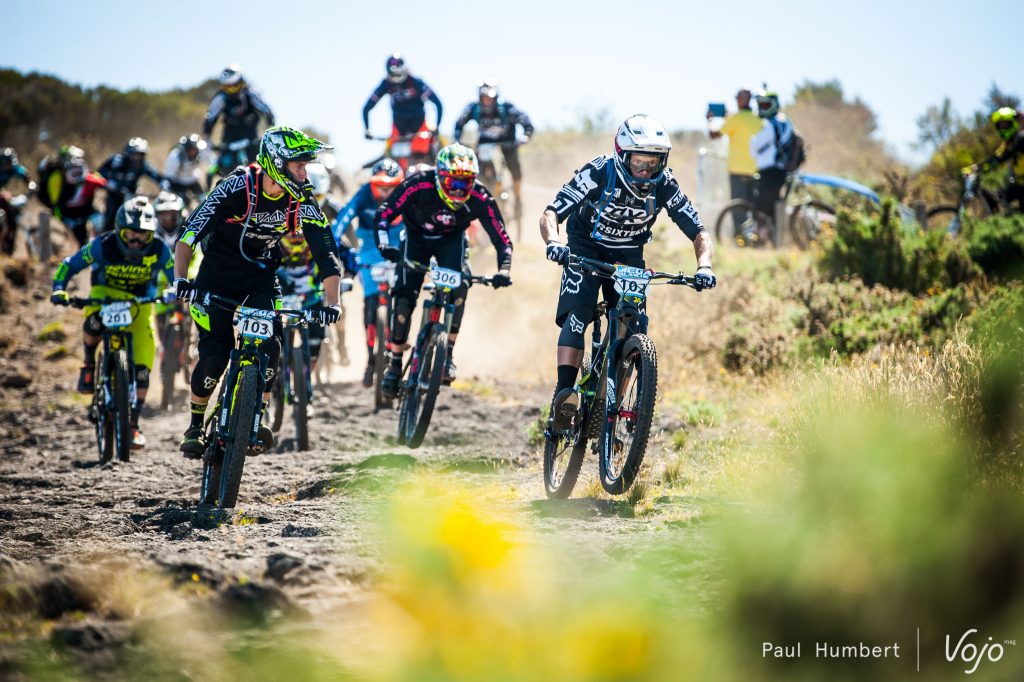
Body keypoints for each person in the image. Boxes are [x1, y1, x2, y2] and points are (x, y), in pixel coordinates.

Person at [168, 126, 344, 458]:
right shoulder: (238, 186)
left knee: (272, 345)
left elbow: (326, 252)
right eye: (298, 165)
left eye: (306, 165)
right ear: (276, 162)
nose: (304, 173)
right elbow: (191, 230)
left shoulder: (302, 197)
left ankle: (255, 417)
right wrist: (180, 279)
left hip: (261, 274)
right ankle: (194, 425)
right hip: (216, 274)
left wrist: (331, 302)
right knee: (214, 356)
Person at [539, 114, 715, 429]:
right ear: (622, 156)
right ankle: (565, 396)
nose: (646, 171)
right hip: (585, 246)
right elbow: (552, 212)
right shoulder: (599, 172)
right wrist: (553, 242)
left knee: (634, 326)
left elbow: (699, 232)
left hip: (629, 254)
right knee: (579, 313)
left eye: (654, 163)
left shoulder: (665, 185)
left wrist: (704, 265)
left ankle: (613, 407)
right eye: (639, 163)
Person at [376, 144, 513, 398]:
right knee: (405, 295)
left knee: (460, 286)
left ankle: (447, 353)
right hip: (416, 239)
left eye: (466, 183)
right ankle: (394, 362)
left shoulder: (480, 196)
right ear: (439, 176)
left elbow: (502, 240)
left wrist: (503, 270)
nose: (460, 190)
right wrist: (384, 245)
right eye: (454, 183)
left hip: (451, 241)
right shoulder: (418, 184)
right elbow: (384, 215)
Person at [50, 196, 172, 449]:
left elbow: (176, 275)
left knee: (142, 368)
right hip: (105, 296)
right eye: (130, 234)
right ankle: (88, 364)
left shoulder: (160, 249)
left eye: (143, 236)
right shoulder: (102, 245)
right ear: (118, 230)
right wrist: (59, 288)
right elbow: (69, 265)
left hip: (140, 303)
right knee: (94, 323)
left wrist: (175, 290)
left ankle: (133, 425)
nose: (136, 241)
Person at [333, 158, 406, 386]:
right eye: (380, 185)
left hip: (398, 248)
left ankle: (397, 351)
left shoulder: (406, 194)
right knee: (370, 306)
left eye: (391, 185)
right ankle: (371, 359)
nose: (385, 191)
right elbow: (344, 216)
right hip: (370, 253)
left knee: (403, 299)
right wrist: (331, 240)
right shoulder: (364, 193)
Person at [276, 229, 354, 379]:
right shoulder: (273, 241)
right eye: (291, 236)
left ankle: (306, 376)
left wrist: (348, 276)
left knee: (316, 338)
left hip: (313, 296)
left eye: (299, 236)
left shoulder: (319, 237)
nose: (295, 240)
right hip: (283, 296)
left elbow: (346, 253)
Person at [453, 78, 534, 221]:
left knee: (514, 167)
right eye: (484, 98)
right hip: (483, 147)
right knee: (471, 170)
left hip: (507, 145)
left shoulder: (507, 108)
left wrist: (526, 135)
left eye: (490, 98)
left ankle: (518, 198)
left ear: (496, 96)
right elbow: (459, 124)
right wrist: (459, 140)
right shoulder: (473, 108)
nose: (487, 101)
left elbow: (526, 121)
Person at [707, 87, 763, 230]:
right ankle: (755, 234)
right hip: (756, 169)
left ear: (740, 100)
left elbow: (714, 135)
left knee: (738, 208)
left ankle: (740, 236)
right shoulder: (758, 118)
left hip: (737, 169)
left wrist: (710, 120)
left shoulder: (735, 118)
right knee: (754, 207)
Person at [202, 64, 275, 173]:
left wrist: (270, 129)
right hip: (229, 141)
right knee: (222, 169)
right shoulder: (220, 98)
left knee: (261, 168)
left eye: (234, 86)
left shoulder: (250, 94)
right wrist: (207, 138)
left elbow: (267, 111)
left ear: (241, 83)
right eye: (227, 88)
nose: (231, 91)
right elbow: (210, 118)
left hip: (251, 139)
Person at [37, 146, 107, 246]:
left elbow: (104, 183)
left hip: (86, 208)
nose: (76, 164)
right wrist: (63, 218)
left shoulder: (89, 177)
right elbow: (55, 203)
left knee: (103, 224)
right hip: (69, 213)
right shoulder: (55, 178)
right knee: (82, 239)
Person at [749, 88, 795, 240]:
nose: (762, 108)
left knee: (760, 206)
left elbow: (753, 147)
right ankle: (778, 239)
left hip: (771, 171)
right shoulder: (786, 121)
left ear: (774, 105)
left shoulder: (770, 124)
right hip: (781, 170)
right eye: (760, 105)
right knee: (773, 206)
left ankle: (763, 240)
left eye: (766, 105)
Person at [362, 53, 443, 140]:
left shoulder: (416, 82)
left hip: (419, 126)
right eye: (393, 75)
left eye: (398, 75)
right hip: (398, 127)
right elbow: (366, 108)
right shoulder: (386, 84)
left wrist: (437, 126)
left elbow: (438, 103)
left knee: (425, 146)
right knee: (389, 150)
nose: (396, 79)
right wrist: (367, 129)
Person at [963, 107, 1024, 211]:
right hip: (1018, 184)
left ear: (1013, 123)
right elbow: (995, 157)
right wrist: (977, 167)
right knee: (999, 198)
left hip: (1021, 186)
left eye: (1005, 125)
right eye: (1000, 126)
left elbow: (1001, 158)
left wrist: (979, 168)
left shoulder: (1021, 139)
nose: (1002, 129)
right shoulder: (1007, 143)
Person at [98, 137, 164, 232]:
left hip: (132, 198)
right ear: (127, 153)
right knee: (110, 221)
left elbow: (158, 177)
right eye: (134, 155)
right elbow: (98, 174)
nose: (137, 158)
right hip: (114, 198)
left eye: (140, 155)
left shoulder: (144, 165)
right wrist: (108, 184)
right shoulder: (115, 161)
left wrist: (164, 186)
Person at [0, 147, 37, 255]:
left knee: (14, 219)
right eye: (7, 163)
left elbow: (28, 179)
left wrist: (31, 187)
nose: (9, 166)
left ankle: (9, 248)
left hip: (8, 200)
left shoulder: (16, 169)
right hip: (2, 199)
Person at [162, 133, 209, 202]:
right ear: (186, 150)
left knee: (204, 199)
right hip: (178, 182)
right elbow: (168, 177)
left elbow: (211, 162)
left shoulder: (200, 153)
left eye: (196, 149)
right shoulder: (175, 157)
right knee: (183, 202)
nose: (195, 151)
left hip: (193, 180)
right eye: (192, 149)